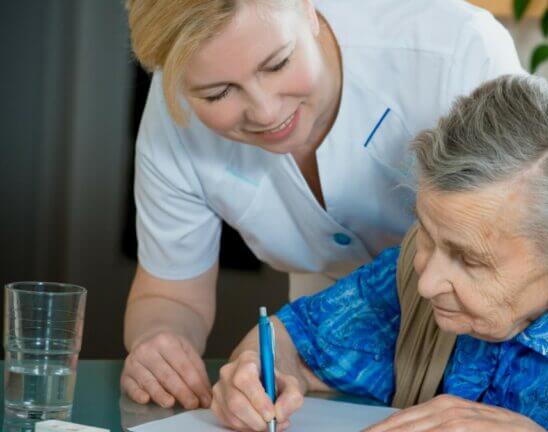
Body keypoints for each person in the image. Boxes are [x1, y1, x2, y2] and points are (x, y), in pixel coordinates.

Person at [211, 75, 548, 431]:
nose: (427, 282)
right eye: (426, 233)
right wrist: (257, 375)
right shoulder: (418, 268)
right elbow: (290, 343)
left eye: (471, 260)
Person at [120, 0, 524, 411]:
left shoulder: (456, 50)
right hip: (324, 329)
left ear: (307, 9)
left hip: (489, 329)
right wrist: (158, 344)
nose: (266, 111)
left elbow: (527, 263)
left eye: (276, 64)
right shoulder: (175, 113)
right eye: (219, 93)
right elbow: (172, 295)